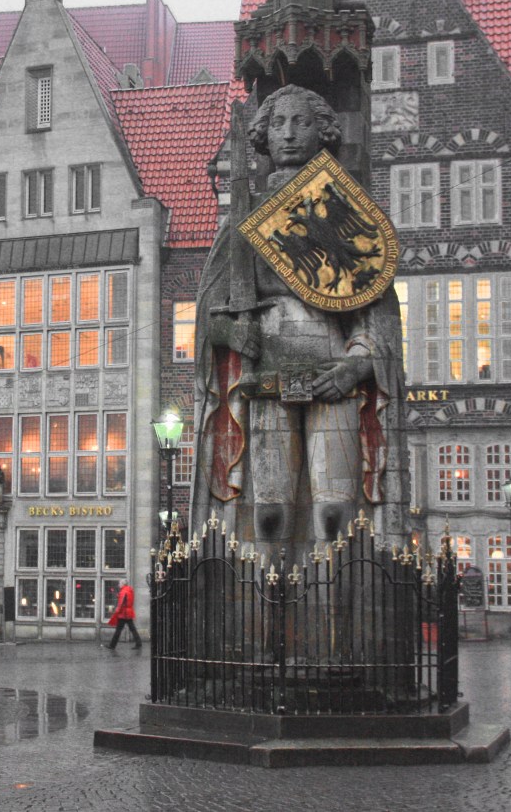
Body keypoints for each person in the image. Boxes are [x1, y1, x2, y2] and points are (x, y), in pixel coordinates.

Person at [192, 85, 407, 554]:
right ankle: (263, 619)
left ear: (322, 132)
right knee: (268, 513)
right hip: (267, 377)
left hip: (334, 374)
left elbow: (375, 314)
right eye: (278, 124)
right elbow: (209, 317)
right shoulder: (244, 219)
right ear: (263, 135)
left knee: (335, 515)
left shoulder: (341, 209)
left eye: (301, 122)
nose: (288, 133)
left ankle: (335, 616)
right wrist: (232, 331)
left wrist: (356, 365)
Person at [105, 579, 141, 650]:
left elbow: (121, 603)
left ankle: (112, 645)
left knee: (118, 630)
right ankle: (138, 643)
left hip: (123, 614)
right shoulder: (129, 590)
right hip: (128, 612)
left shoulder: (123, 591)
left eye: (119, 583)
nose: (119, 585)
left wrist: (117, 611)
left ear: (123, 584)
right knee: (132, 629)